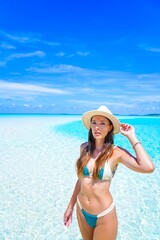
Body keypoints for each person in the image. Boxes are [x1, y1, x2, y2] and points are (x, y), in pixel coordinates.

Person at [63, 105, 154, 240]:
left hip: (103, 214)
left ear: (110, 127)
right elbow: (81, 180)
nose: (97, 127)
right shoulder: (84, 148)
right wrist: (70, 206)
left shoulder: (116, 152)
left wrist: (131, 137)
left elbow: (148, 168)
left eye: (102, 123)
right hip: (81, 209)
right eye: (94, 123)